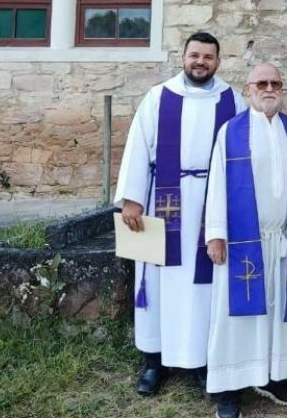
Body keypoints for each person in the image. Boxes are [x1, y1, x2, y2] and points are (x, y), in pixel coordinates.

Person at [114, 32, 245, 395]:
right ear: (183, 57)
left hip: (212, 203)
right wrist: (132, 198)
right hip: (164, 201)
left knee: (204, 284)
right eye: (194, 55)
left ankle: (203, 359)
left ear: (218, 61)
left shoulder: (232, 99)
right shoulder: (159, 97)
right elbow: (138, 148)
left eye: (208, 57)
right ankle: (153, 362)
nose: (200, 62)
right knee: (157, 282)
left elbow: (242, 152)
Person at [204, 63, 287, 418]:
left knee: (280, 310)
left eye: (275, 83)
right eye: (262, 83)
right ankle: (229, 388)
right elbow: (217, 185)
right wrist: (216, 235)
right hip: (242, 243)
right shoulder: (231, 132)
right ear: (248, 89)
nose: (269, 88)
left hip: (283, 241)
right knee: (237, 318)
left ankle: (274, 375)